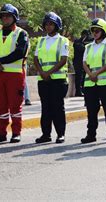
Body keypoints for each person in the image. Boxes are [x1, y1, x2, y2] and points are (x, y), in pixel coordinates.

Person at [0, 4, 29, 143]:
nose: (5, 18)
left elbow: (20, 52)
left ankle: (16, 132)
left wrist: (0, 62)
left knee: (15, 104)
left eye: (8, 16)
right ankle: (1, 133)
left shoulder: (21, 33)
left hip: (15, 75)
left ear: (14, 17)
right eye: (3, 16)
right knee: (0, 104)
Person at [80, 18, 106, 144]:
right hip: (90, 83)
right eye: (93, 31)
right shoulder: (88, 46)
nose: (95, 33)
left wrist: (96, 73)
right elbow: (84, 63)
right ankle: (91, 134)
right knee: (91, 111)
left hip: (105, 83)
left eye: (98, 31)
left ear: (104, 31)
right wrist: (90, 74)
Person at [34, 12, 69, 144]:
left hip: (58, 80)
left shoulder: (63, 41)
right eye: (46, 24)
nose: (48, 27)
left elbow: (63, 60)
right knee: (46, 108)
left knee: (57, 107)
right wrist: (42, 72)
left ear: (56, 25)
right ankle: (45, 134)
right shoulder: (41, 40)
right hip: (43, 79)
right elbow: (36, 59)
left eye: (51, 24)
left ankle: (60, 134)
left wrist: (48, 72)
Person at [73, 30, 92, 96]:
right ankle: (78, 91)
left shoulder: (85, 42)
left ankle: (82, 90)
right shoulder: (77, 42)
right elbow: (82, 49)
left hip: (83, 62)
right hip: (78, 62)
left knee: (83, 77)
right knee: (79, 77)